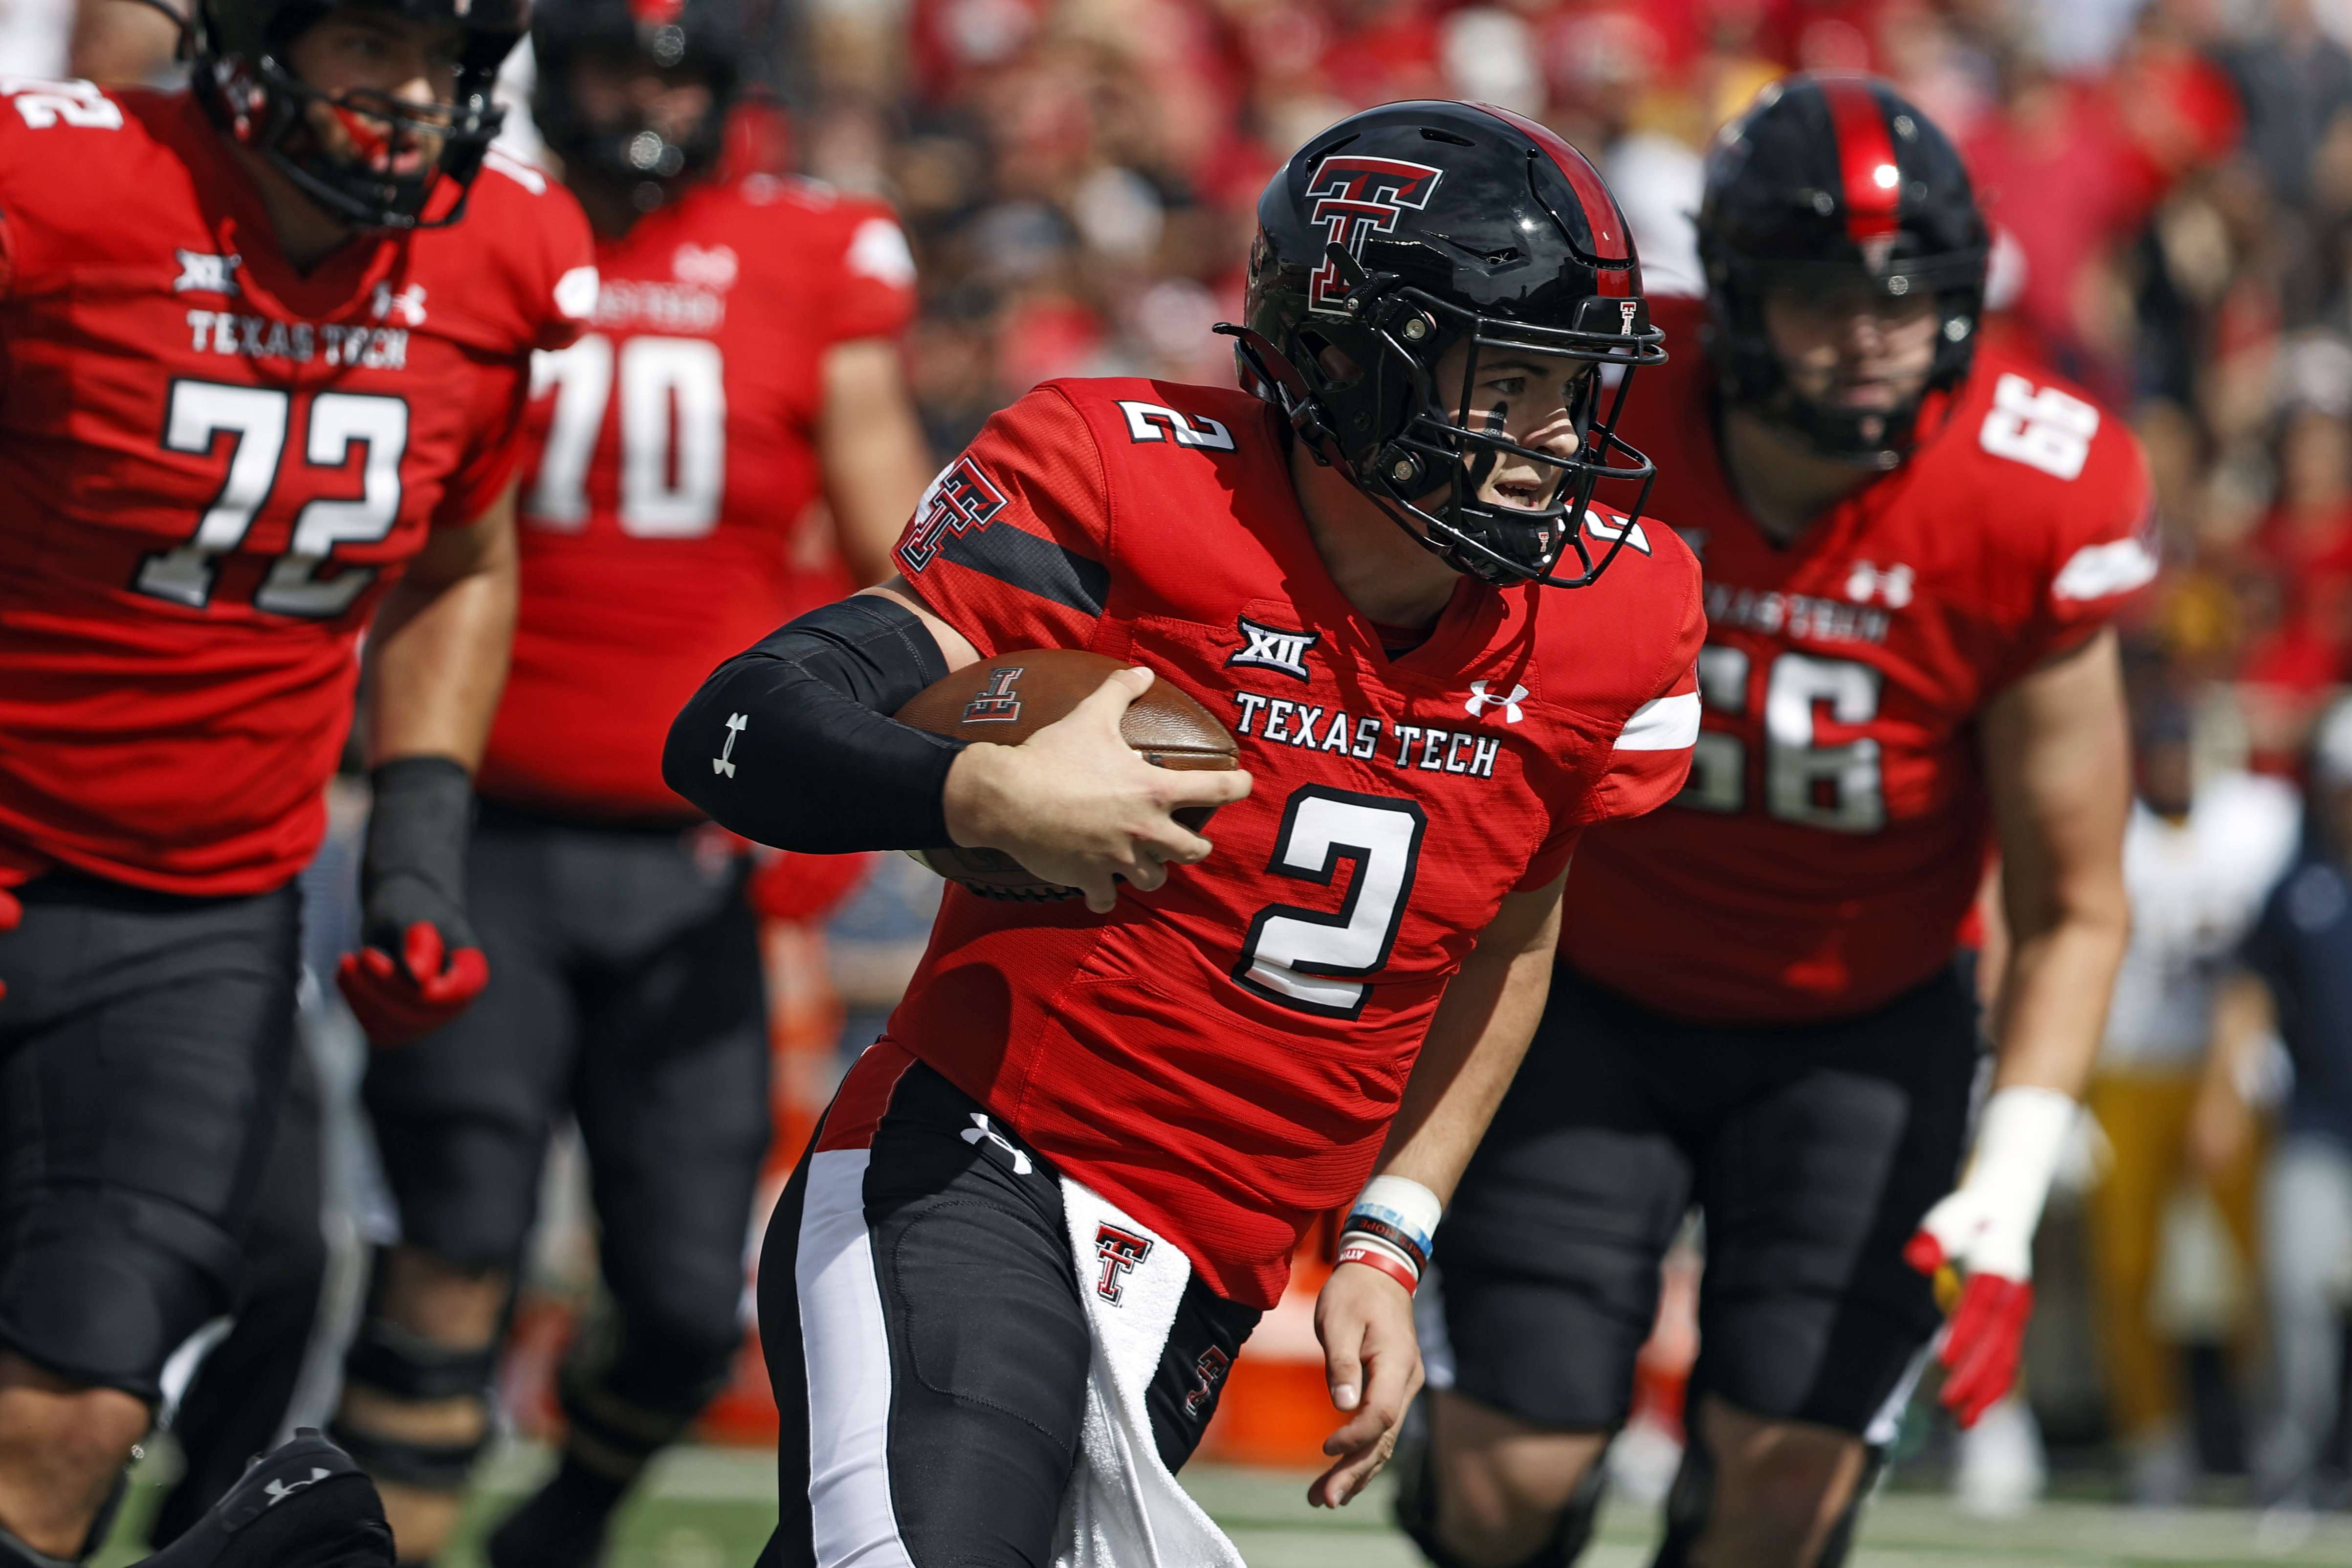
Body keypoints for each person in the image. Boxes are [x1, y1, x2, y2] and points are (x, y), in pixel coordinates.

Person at [665, 98, 1706, 1568]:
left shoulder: (1619, 617)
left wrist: (1388, 1237)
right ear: (1343, 361)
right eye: (1510, 381)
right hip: (976, 1167)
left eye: (1575, 386)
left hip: (1211, 1268)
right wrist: (976, 795)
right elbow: (743, 718)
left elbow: (1514, 927)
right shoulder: (1129, 479)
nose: (1555, 440)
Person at [1408, 75, 2147, 1568]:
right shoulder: (1608, 405)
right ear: (1738, 295)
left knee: (1781, 1503)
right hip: (1584, 995)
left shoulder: (2029, 488)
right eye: (1821, 296)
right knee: (1506, 1486)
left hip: (1861, 1029)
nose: (1870, 337)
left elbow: (2074, 899)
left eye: (1909, 295)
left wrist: (2003, 1189)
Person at [327, 0, 931, 1558]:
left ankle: (569, 1519)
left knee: (680, 1303)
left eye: (675, 69)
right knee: (451, 1255)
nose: (645, 102)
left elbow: (908, 565)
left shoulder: (812, 255)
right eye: (615, 65)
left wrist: (850, 783)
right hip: (483, 825)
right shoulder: (474, 215)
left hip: (689, 857)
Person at [0, 0, 594, 1556]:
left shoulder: (500, 252)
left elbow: (463, 559)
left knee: (78, 1404)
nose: (409, 96)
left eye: (441, 60)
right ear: (255, 44)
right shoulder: (60, 184)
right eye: (367, 45)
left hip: (196, 907)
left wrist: (415, 841)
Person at [2083, 699, 2296, 1504]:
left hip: (2237, 1075)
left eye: (2182, 751)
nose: (2172, 767)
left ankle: (2277, 1437)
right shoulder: (2115, 832)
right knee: (2127, 1268)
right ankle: (2153, 1442)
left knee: (2263, 1269)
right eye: (2160, 754)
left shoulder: (2259, 823)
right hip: (2132, 1066)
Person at [2198, 699, 2352, 1508]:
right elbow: (2247, 994)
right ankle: (2289, 1470)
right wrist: (2222, 1096)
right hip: (2320, 1125)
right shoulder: (2302, 887)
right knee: (2294, 1290)